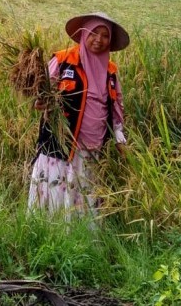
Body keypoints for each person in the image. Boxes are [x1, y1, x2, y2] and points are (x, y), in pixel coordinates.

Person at [28, 12, 130, 219]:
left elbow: (115, 107)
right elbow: (40, 91)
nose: (98, 40)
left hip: (92, 149)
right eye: (94, 33)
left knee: (84, 193)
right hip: (59, 146)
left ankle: (82, 240)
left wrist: (119, 138)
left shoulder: (110, 72)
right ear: (84, 34)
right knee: (56, 190)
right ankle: (49, 234)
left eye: (105, 36)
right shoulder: (64, 60)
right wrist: (39, 101)